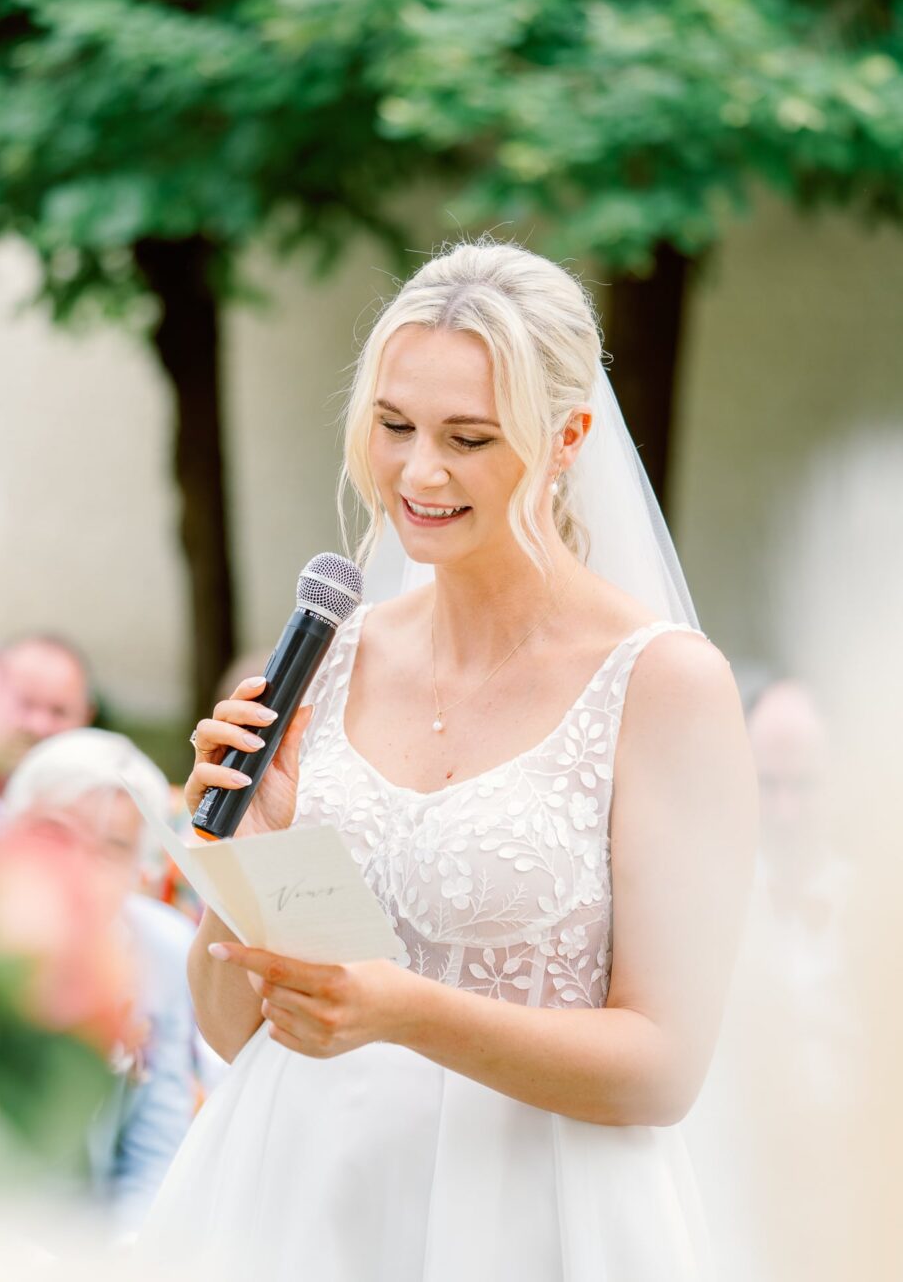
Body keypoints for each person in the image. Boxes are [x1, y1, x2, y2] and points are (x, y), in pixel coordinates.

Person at [142, 240, 757, 1280]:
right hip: (294, 1206)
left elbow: (663, 1070)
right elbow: (235, 1028)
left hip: (528, 1219)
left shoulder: (663, 689)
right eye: (393, 426)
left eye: (467, 438)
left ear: (566, 438)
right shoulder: (328, 658)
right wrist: (259, 856)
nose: (418, 473)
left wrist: (407, 1011)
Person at [0, 728, 199, 1238]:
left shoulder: (163, 947)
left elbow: (155, 1144)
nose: (82, 867)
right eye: (63, 836)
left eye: (112, 848)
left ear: (141, 866)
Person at [0, 634, 97, 852]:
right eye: (24, 703)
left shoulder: (102, 813)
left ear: (86, 718)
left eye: (59, 712)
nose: (38, 726)